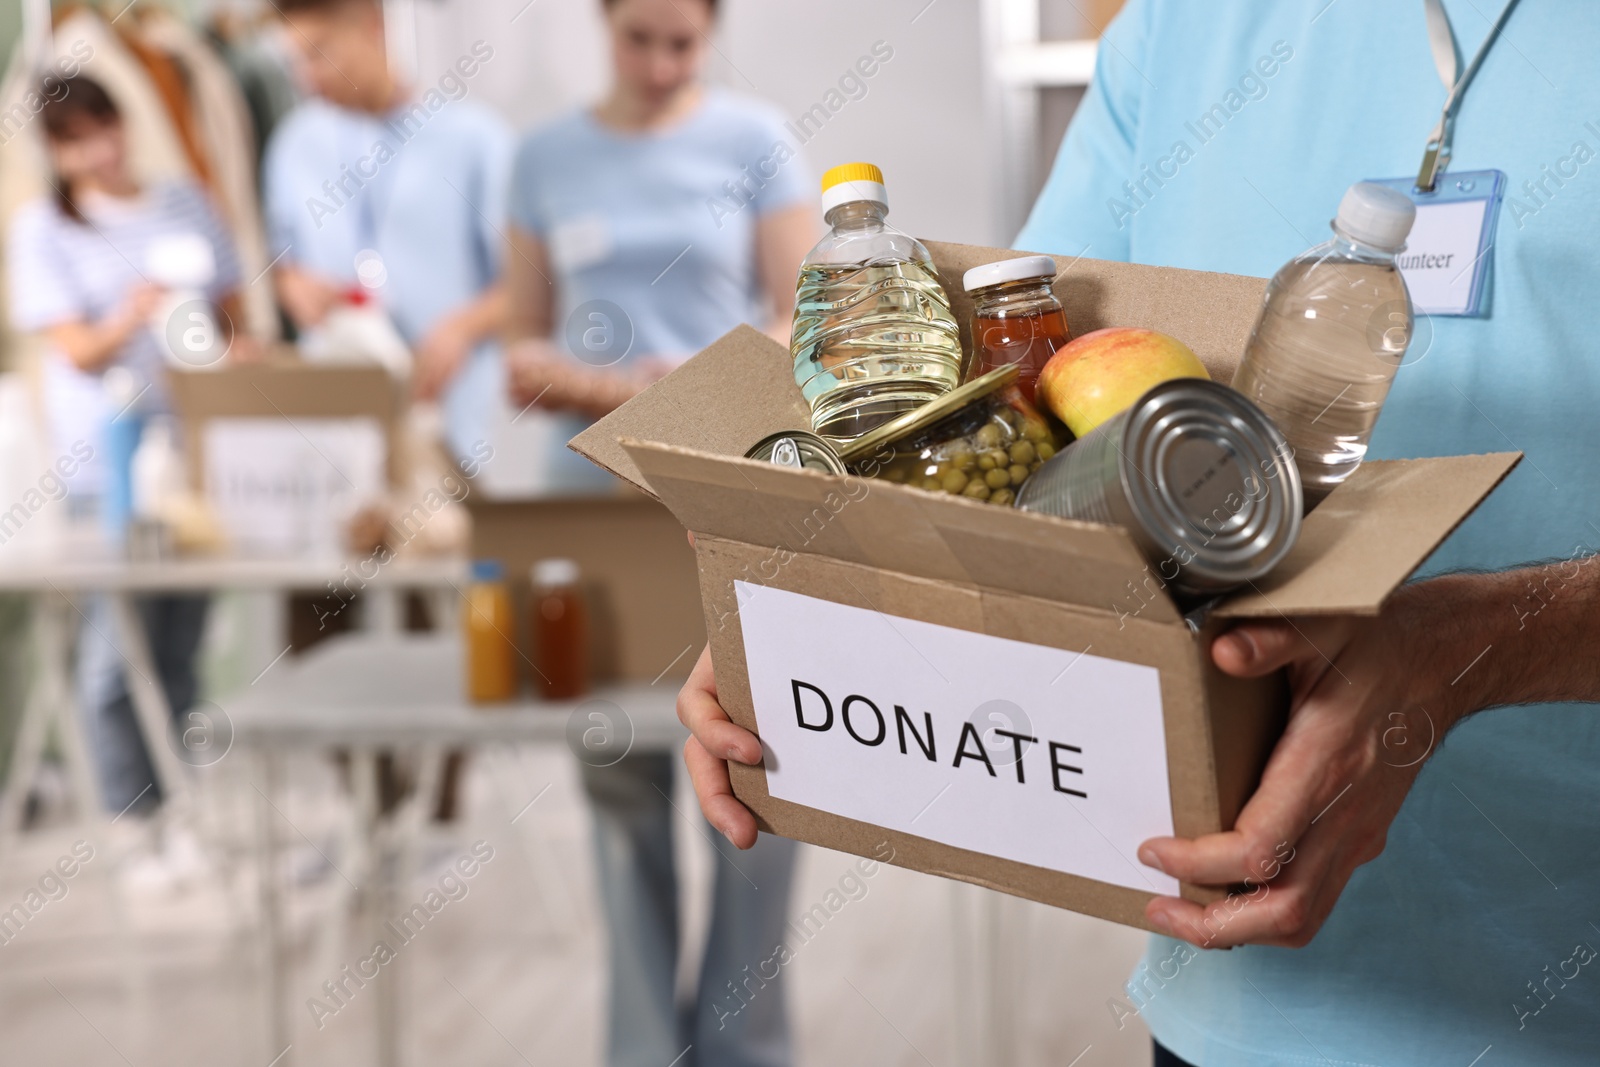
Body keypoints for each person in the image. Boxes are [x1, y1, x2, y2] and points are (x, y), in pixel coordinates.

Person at [677, 1, 1600, 1065]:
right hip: (1232, 997)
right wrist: (816, 579)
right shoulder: (1181, 26)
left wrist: (1469, 649)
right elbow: (997, 422)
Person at [503, 0, 815, 1062]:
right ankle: (640, 1047)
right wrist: (598, 384)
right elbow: (519, 349)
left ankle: (745, 1047)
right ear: (604, 23)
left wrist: (696, 384)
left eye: (682, 40)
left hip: (720, 491)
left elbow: (806, 316)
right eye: (638, 36)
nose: (660, 60)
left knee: (757, 769)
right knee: (618, 780)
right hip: (592, 501)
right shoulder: (542, 159)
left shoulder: (756, 143)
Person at [7, 75, 254, 817]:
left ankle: (179, 806)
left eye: (106, 128)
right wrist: (133, 313)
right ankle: (128, 817)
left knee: (181, 641)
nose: (102, 150)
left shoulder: (184, 203)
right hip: (105, 462)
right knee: (116, 655)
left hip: (195, 453)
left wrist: (235, 352)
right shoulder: (45, 230)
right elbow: (75, 349)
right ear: (56, 151)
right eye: (78, 139)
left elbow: (234, 314)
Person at [263, 0, 511, 464]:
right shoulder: (294, 143)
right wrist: (293, 286)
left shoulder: (475, 138)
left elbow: (528, 284)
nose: (306, 77)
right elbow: (282, 261)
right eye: (294, 60)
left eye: (319, 53)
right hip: (339, 411)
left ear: (372, 26)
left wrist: (460, 328)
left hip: (451, 413)